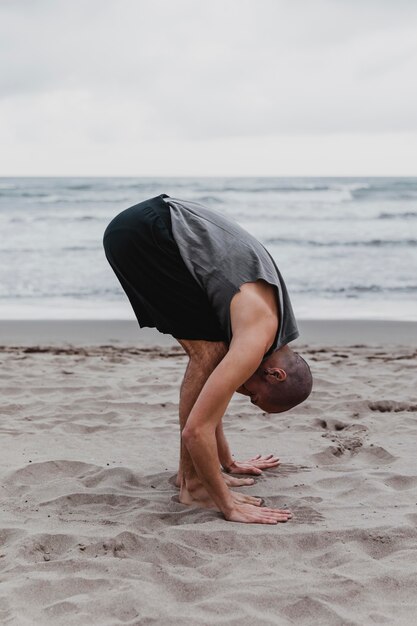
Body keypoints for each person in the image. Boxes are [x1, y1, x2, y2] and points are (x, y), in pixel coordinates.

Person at [103, 194, 312, 525]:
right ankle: (195, 485)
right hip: (149, 234)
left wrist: (226, 460)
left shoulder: (272, 323)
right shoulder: (256, 337)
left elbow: (213, 397)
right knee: (208, 356)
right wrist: (227, 506)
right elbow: (196, 430)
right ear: (274, 375)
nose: (247, 397)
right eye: (256, 398)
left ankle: (195, 476)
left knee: (211, 359)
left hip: (150, 225)